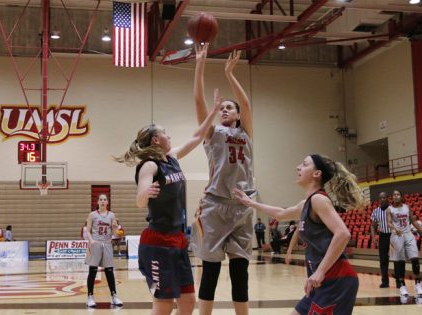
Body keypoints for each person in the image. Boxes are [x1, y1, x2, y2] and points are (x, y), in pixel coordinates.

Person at [115, 89, 221, 315]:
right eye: (166, 133)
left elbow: (196, 137)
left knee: (188, 300)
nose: (169, 136)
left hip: (178, 239)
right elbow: (140, 198)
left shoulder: (171, 158)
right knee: (163, 304)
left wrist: (212, 112)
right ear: (156, 139)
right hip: (157, 242)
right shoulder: (150, 165)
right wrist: (146, 193)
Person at [234, 154, 365, 315]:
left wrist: (320, 271)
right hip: (321, 282)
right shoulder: (306, 204)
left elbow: (343, 234)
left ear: (317, 174)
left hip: (336, 281)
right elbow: (281, 213)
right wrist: (250, 203)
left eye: (304, 164)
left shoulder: (319, 200)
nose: (298, 167)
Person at [192, 44, 255, 315]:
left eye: (230, 107)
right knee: (211, 271)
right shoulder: (212, 132)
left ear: (239, 115)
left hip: (242, 205)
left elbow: (248, 104)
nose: (225, 110)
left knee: (240, 272)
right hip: (215, 206)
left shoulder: (246, 133)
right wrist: (200, 64)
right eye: (223, 108)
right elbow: (198, 101)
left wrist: (230, 74)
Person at [386, 190, 422, 298]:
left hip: (408, 234)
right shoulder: (389, 209)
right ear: (392, 197)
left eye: (398, 194)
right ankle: (402, 286)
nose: (396, 196)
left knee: (415, 258)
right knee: (400, 261)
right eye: (394, 195)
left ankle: (418, 284)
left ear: (401, 196)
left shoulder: (407, 207)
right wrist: (394, 228)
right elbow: (389, 222)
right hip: (397, 235)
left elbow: (414, 221)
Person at [84, 194, 123, 308]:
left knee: (109, 271)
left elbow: (115, 233)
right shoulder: (92, 215)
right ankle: (90, 297)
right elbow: (88, 229)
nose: (102, 201)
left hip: (107, 244)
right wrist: (91, 240)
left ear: (107, 202)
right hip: (95, 243)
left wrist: (116, 229)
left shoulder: (111, 215)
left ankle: (114, 296)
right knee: (93, 271)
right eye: (100, 199)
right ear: (97, 202)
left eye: (104, 199)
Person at [369, 191, 392, 288]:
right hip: (383, 236)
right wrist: (374, 237)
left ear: (387, 198)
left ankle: (399, 281)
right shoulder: (375, 211)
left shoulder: (392, 209)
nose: (382, 199)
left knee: (397, 259)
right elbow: (373, 226)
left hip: (393, 236)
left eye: (384, 197)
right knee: (383, 260)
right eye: (380, 198)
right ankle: (385, 282)